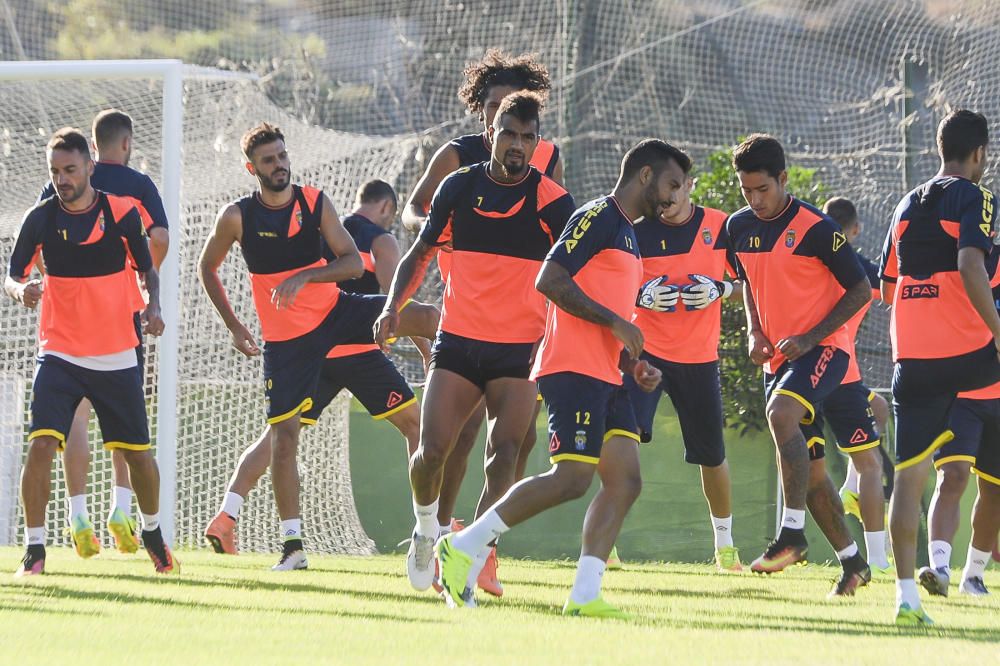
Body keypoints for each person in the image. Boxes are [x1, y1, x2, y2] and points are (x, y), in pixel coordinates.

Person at [434, 139, 685, 618]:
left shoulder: (630, 234)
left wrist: (635, 363)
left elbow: (610, 307)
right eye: (671, 185)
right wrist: (615, 323)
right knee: (572, 478)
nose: (674, 198)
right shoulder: (597, 216)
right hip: (570, 368)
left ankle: (585, 594)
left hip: (606, 375)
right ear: (646, 176)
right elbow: (549, 279)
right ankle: (463, 546)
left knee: (625, 480)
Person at [198, 123, 431, 570]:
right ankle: (293, 548)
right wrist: (233, 325)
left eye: (283, 156)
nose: (280, 164)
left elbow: (347, 263)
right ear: (253, 168)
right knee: (283, 440)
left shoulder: (314, 202)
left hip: (337, 318)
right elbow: (208, 268)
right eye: (269, 160)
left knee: (420, 313)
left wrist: (306, 276)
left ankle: (432, 524)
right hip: (288, 344)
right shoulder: (236, 217)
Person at [375, 92, 575, 598]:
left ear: (536, 143)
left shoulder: (553, 201)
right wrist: (391, 308)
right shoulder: (459, 186)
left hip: (520, 350)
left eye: (527, 137)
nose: (517, 145)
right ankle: (426, 530)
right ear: (491, 133)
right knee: (430, 452)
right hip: (459, 342)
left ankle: (472, 555)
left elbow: (575, 272)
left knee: (505, 453)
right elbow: (419, 252)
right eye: (508, 133)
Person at [6, 128, 174, 576]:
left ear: (90, 167)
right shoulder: (39, 219)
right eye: (55, 171)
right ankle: (35, 550)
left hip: (116, 353)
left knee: (138, 453)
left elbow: (147, 270)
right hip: (59, 351)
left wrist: (153, 305)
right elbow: (11, 274)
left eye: (70, 170)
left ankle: (153, 531)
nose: (62, 178)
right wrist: (21, 289)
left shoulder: (121, 213)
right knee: (41, 446)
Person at [726, 135, 872, 595]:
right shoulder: (737, 227)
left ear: (783, 179)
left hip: (824, 349)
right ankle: (854, 563)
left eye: (763, 189)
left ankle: (791, 534)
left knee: (780, 414)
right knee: (809, 476)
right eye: (746, 190)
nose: (754, 199)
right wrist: (754, 331)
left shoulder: (817, 227)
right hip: (781, 360)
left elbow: (861, 290)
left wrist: (811, 336)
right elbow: (748, 281)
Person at [879, 109, 1000, 625]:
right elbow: (972, 265)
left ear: (938, 148)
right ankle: (965, 569)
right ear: (979, 155)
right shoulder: (979, 196)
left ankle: (907, 598)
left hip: (914, 357)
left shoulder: (905, 204)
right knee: (988, 475)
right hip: (973, 360)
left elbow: (888, 289)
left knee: (908, 481)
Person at [624, 149, 743, 571]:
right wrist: (639, 295)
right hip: (645, 355)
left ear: (691, 185)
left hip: (699, 359)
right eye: (665, 186)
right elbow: (611, 287)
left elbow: (754, 286)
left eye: (678, 186)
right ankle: (608, 539)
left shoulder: (722, 227)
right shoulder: (636, 232)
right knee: (622, 439)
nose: (670, 196)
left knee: (712, 455)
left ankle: (725, 548)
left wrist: (722, 290)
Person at [919, 375, 1000, 597]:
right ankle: (940, 569)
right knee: (952, 475)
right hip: (956, 395)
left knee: (994, 491)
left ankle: (974, 577)